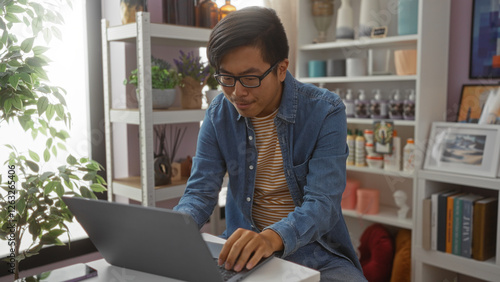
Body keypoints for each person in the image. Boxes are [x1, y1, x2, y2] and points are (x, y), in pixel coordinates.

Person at [174, 6, 366, 281]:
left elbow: (322, 204)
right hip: (242, 251)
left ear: (281, 69)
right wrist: (173, 231)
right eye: (226, 78)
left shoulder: (325, 111)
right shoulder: (219, 114)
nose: (237, 93)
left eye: (250, 78)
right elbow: (200, 192)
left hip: (316, 251)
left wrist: (270, 238)